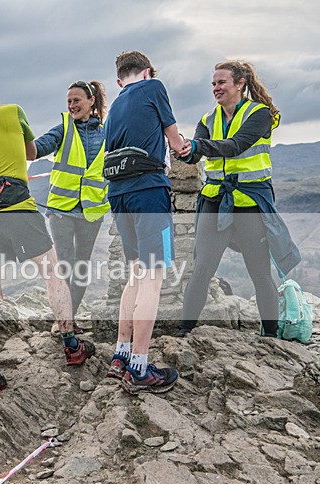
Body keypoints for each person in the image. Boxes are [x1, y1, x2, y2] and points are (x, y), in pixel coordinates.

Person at [0, 73, 95, 395]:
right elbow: (31, 153)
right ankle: (71, 346)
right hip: (19, 209)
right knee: (53, 274)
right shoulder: (13, 111)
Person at [176, 61, 300, 337]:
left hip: (250, 202)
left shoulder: (259, 114)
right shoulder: (208, 119)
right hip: (215, 199)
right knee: (202, 268)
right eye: (213, 84)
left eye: (221, 82)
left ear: (240, 83)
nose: (216, 88)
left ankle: (269, 335)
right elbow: (197, 153)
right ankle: (185, 331)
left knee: (259, 271)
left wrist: (198, 146)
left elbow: (235, 146)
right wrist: (184, 150)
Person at [102, 51, 182, 394]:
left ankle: (120, 355)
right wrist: (188, 148)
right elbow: (176, 142)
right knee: (153, 278)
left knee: (135, 274)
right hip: (149, 192)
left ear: (120, 80)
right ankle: (139, 366)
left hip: (118, 195)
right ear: (147, 71)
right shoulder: (153, 87)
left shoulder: (115, 106)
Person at [29, 80, 109, 332]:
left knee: (81, 268)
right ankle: (63, 322)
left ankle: (69, 319)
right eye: (69, 101)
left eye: (77, 100)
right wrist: (15, 135)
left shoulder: (109, 132)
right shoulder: (63, 128)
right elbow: (36, 149)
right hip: (62, 210)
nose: (72, 105)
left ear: (91, 101)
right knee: (64, 265)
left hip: (91, 210)